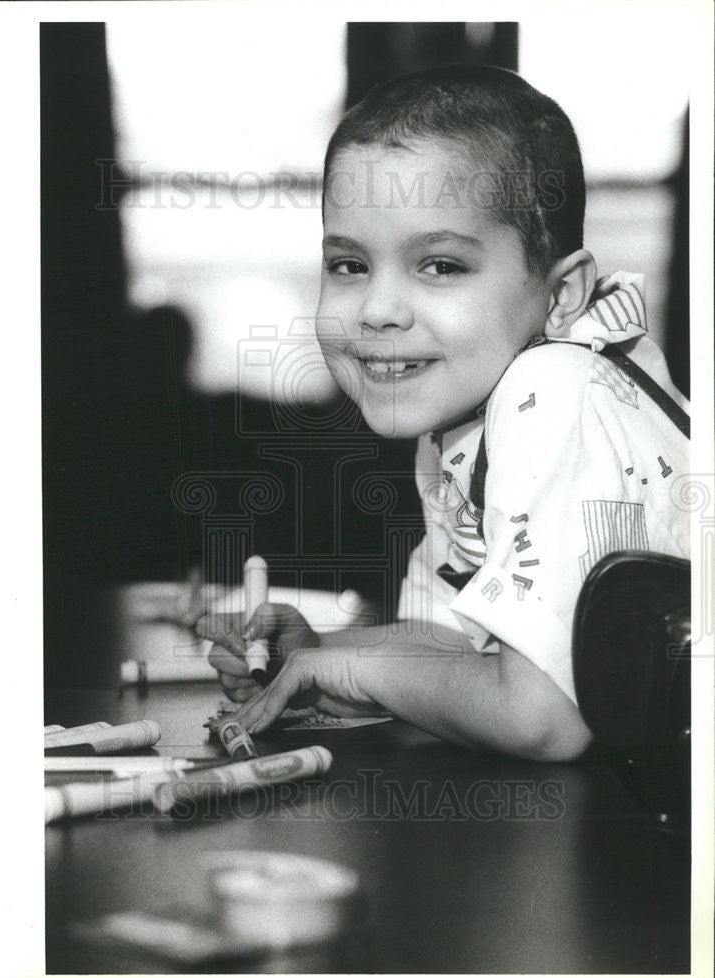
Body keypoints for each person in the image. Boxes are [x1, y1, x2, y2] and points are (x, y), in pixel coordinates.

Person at [196, 66, 689, 762]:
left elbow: (542, 714)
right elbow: (455, 652)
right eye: (348, 265)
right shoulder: (460, 418)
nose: (377, 310)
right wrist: (321, 653)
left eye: (441, 266)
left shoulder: (552, 391)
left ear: (561, 295)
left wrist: (356, 665)